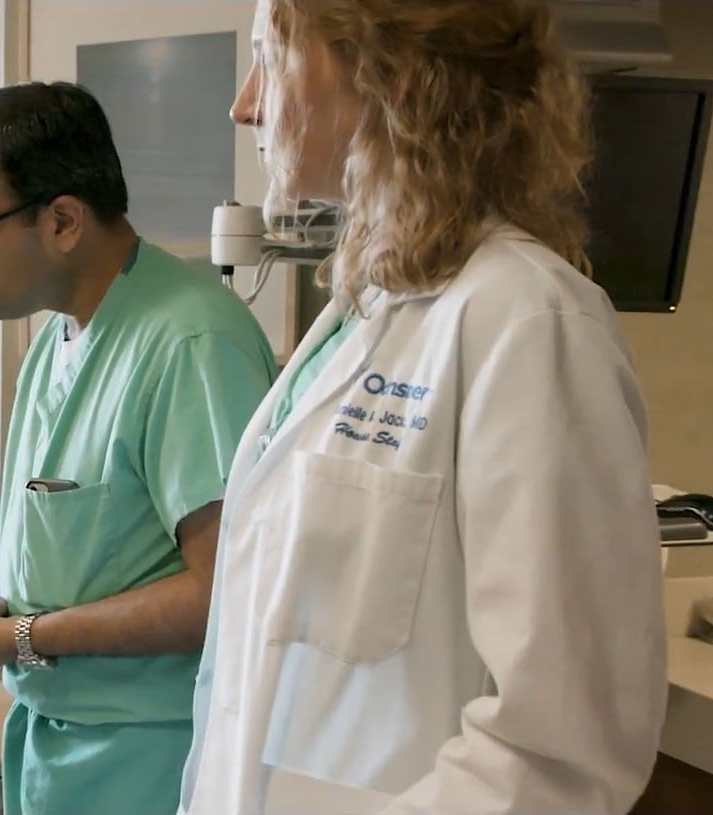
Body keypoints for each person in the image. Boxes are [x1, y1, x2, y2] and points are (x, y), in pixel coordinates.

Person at [179, 2, 665, 813]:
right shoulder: (365, 310)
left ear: (387, 71)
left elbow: (563, 749)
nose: (245, 104)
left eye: (271, 56)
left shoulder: (527, 321)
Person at [0, 81, 277, 815]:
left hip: (148, 757)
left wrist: (19, 635)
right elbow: (57, 521)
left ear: (61, 220)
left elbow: (222, 594)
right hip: (54, 747)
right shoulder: (60, 333)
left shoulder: (189, 342)